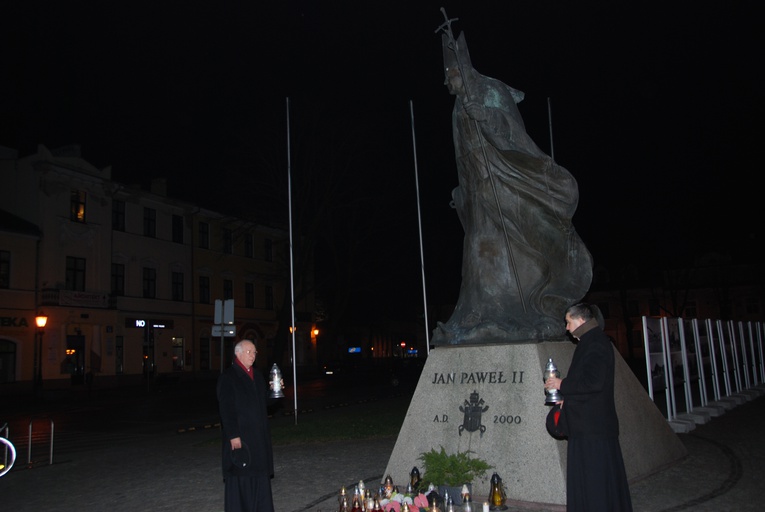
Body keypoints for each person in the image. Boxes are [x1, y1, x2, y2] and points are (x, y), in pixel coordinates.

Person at [432, 25, 592, 345]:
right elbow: (462, 157)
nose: (448, 84)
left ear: (462, 71)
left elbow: (515, 136)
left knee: (515, 246)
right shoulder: (456, 108)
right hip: (478, 193)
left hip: (507, 184)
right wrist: (462, 192)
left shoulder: (491, 91)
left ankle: (519, 311)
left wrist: (487, 118)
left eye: (450, 76)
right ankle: (479, 312)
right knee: (479, 250)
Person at [544, 303, 633, 511]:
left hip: (592, 430)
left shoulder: (596, 343)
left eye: (568, 321)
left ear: (581, 320)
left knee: (595, 486)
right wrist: (567, 398)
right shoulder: (590, 341)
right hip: (589, 426)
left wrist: (561, 384)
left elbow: (594, 382)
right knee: (595, 484)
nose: (566, 327)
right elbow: (590, 387)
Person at [217, 339, 280, 512]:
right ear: (238, 354)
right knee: (242, 477)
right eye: (249, 352)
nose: (253, 356)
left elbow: (264, 403)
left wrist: (275, 393)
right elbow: (226, 409)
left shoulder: (257, 375)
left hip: (258, 439)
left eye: (254, 353)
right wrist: (233, 435)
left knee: (259, 475)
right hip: (242, 438)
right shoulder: (228, 377)